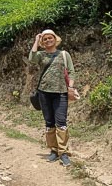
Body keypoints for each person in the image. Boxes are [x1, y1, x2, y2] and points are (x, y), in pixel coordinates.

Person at [28, 29, 76, 167]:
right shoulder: (41, 55)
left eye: (50, 38)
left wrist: (71, 87)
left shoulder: (64, 54)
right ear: (43, 42)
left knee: (61, 122)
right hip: (44, 93)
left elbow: (71, 72)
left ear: (55, 39)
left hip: (61, 93)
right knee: (49, 122)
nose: (48, 40)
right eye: (45, 39)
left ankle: (64, 152)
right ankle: (54, 150)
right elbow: (31, 59)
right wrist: (37, 40)